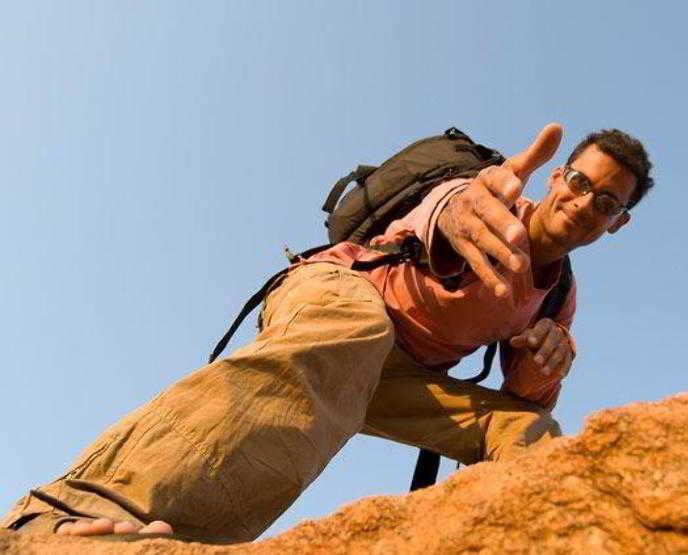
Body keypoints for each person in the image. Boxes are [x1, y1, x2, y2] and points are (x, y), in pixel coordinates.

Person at [2, 123, 653, 543]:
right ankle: (66, 518)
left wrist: (548, 361)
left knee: (531, 431)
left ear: (616, 224)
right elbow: (441, 210)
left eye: (606, 202)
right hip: (344, 297)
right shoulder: (485, 199)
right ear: (555, 176)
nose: (583, 202)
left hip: (401, 378)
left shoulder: (560, 294)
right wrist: (456, 212)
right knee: (356, 330)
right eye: (579, 181)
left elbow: (525, 399)